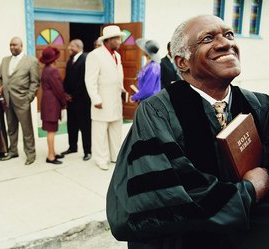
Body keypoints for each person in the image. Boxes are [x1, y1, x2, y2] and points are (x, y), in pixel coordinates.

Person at [106, 15, 269, 249]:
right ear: (182, 62)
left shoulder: (260, 105)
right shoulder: (157, 112)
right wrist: (249, 191)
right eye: (208, 38)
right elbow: (166, 197)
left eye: (229, 34)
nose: (226, 43)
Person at [85, 25, 126, 170]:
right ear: (109, 40)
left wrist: (122, 90)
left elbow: (117, 76)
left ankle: (115, 156)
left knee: (116, 129)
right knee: (100, 132)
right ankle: (100, 159)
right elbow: (90, 80)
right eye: (118, 38)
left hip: (115, 99)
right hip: (101, 101)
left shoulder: (117, 55)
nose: (120, 41)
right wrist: (95, 99)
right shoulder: (95, 55)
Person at [0, 36, 40, 165]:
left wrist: (29, 98)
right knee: (11, 128)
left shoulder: (31, 61)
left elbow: (35, 82)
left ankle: (30, 154)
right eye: (10, 45)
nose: (12, 47)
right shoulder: (5, 61)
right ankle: (13, 151)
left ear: (21, 46)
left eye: (15, 45)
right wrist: (2, 91)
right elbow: (0, 78)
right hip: (7, 100)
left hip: (22, 100)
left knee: (27, 129)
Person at [62, 39, 91, 161]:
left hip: (82, 100)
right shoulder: (70, 61)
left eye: (71, 47)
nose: (69, 49)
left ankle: (87, 151)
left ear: (78, 47)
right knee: (71, 125)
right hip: (71, 100)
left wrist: (73, 95)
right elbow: (67, 78)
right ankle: (72, 146)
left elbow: (83, 81)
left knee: (85, 126)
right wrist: (65, 93)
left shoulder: (86, 59)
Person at [39, 46, 67, 164]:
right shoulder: (52, 71)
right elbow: (59, 89)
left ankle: (53, 152)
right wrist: (64, 102)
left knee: (51, 130)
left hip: (47, 102)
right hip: (52, 104)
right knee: (51, 130)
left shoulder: (45, 69)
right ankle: (51, 156)